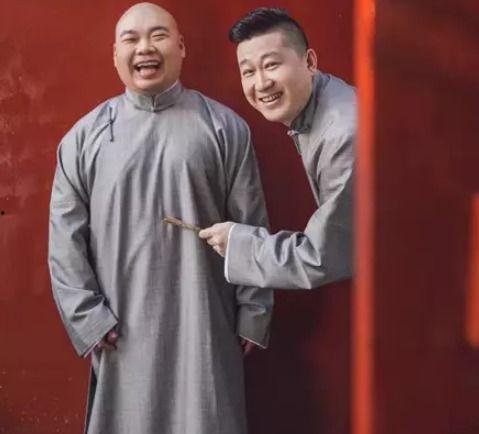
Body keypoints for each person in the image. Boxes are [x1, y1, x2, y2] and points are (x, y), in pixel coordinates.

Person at [48, 3, 273, 434]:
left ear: (181, 47)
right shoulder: (83, 139)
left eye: (158, 36)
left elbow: (252, 227)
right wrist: (88, 318)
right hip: (121, 334)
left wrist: (253, 311)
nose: (145, 48)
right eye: (131, 39)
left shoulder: (225, 128)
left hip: (206, 327)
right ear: (115, 54)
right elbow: (64, 241)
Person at [199, 7, 356, 290]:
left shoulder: (343, 135)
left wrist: (238, 244)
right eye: (248, 71)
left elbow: (321, 258)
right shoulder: (321, 101)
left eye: (271, 65)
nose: (261, 83)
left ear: (310, 61)